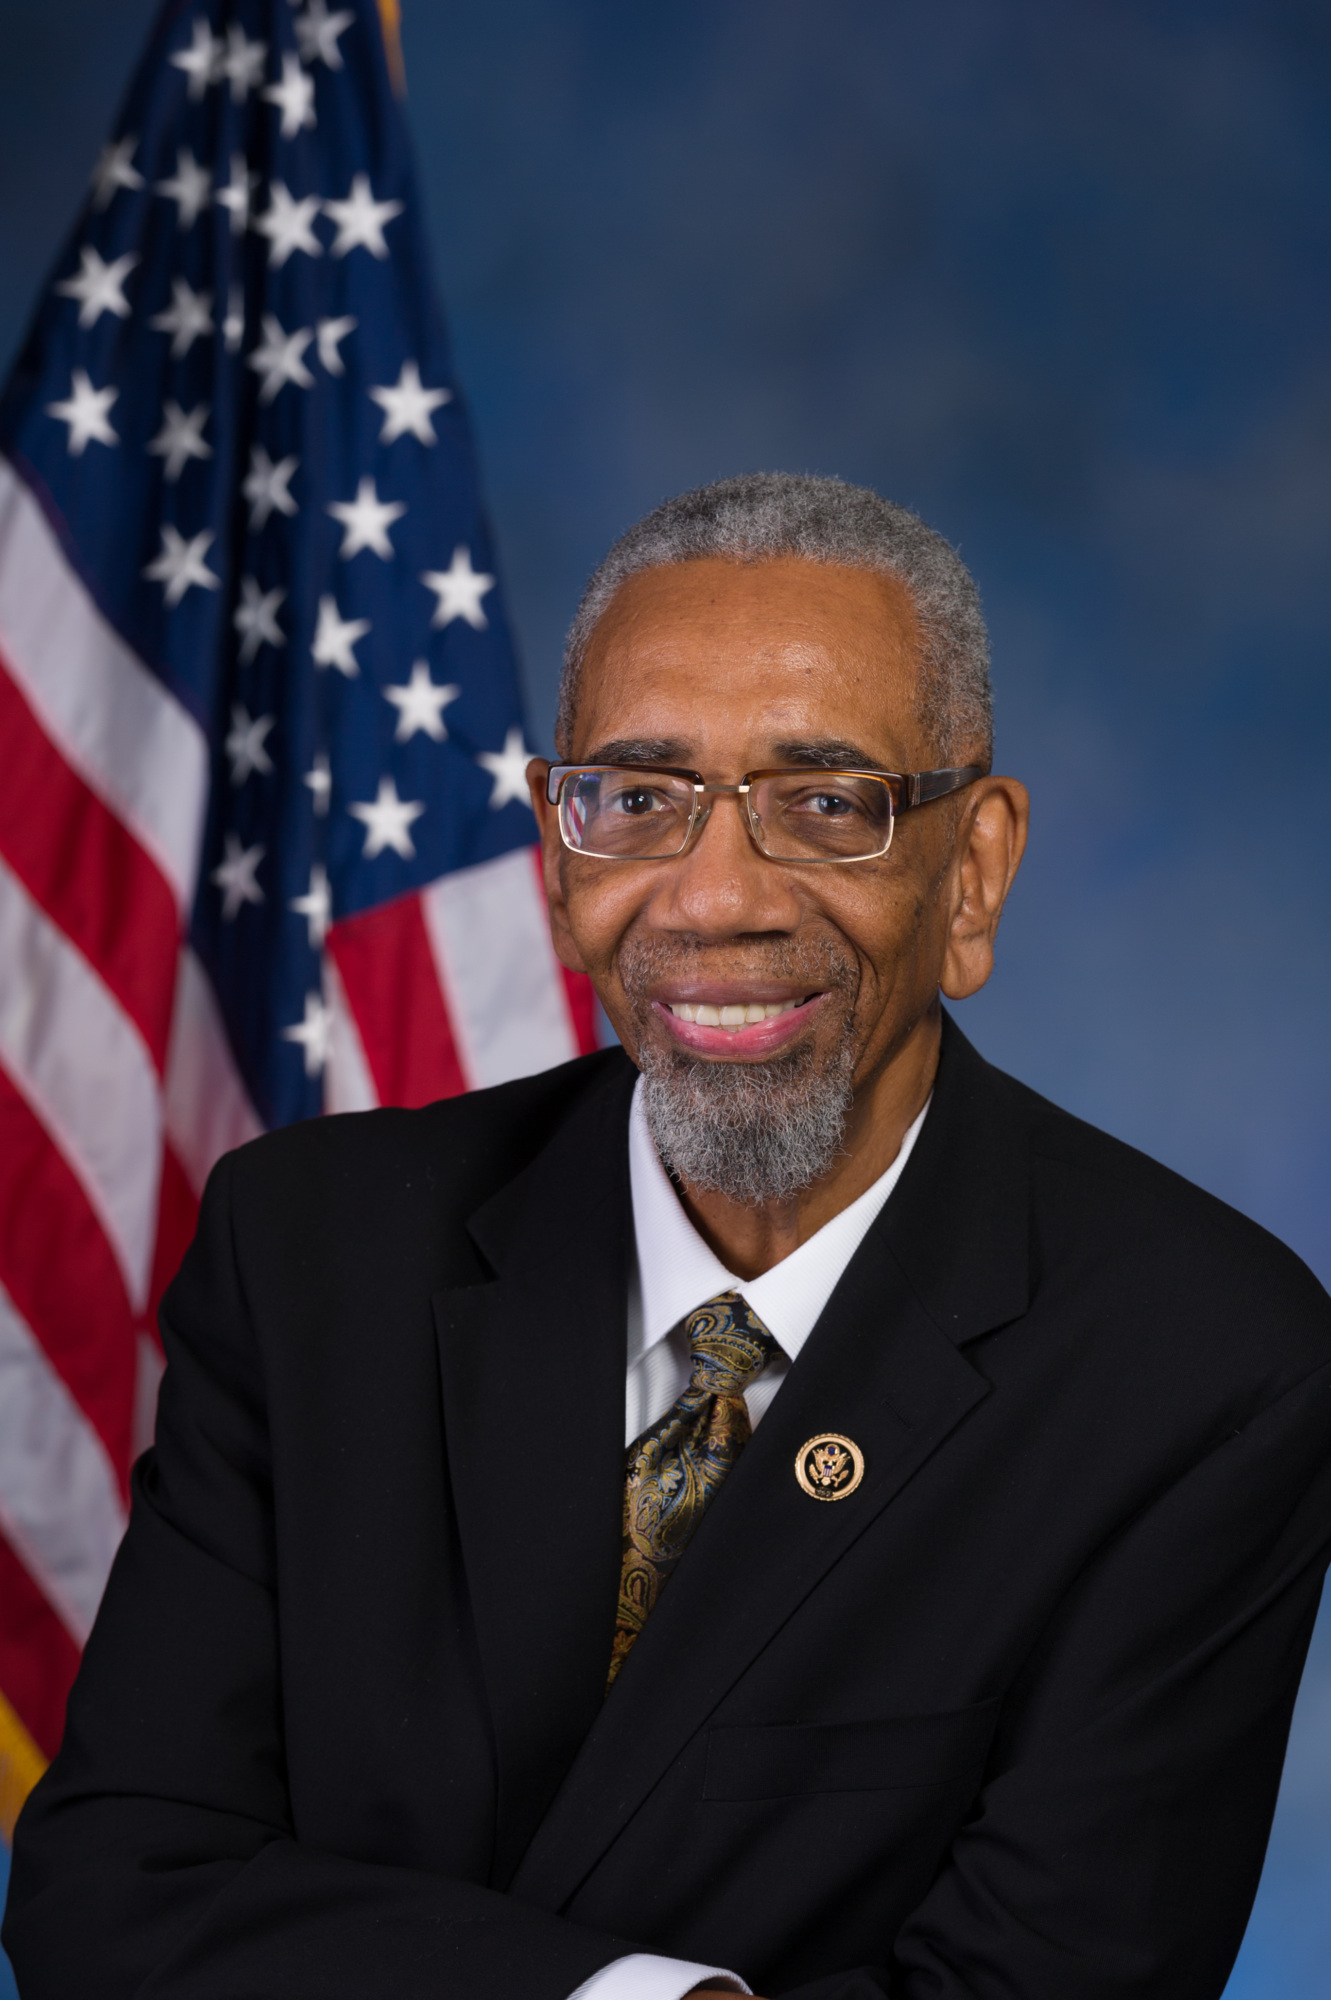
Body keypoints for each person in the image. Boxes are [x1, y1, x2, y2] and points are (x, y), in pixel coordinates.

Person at [6, 473, 1331, 2000]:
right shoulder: (311, 1252)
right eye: (639, 799)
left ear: (972, 873)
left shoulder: (1203, 1370)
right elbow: (111, 1892)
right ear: (558, 849)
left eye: (824, 803)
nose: (713, 899)